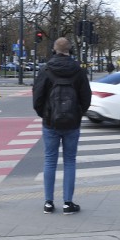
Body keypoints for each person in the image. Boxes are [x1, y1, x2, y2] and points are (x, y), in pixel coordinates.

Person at [33, 37, 92, 214]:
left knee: (50, 160)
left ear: (54, 49)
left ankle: (48, 203)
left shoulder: (46, 70)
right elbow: (86, 98)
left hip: (50, 122)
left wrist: (45, 115)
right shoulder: (78, 71)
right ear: (70, 50)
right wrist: (78, 113)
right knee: (69, 161)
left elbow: (37, 98)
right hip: (72, 124)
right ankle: (68, 203)